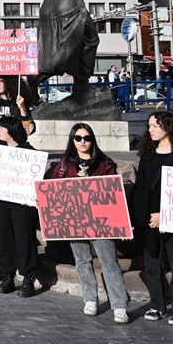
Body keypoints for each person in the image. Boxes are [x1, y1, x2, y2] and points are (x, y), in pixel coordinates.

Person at [45, 123, 131, 323]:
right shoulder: (65, 163)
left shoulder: (104, 163)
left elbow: (114, 192)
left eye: (87, 137)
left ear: (92, 139)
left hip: (101, 221)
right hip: (75, 220)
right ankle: (90, 299)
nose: (83, 141)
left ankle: (119, 305)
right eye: (78, 138)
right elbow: (52, 187)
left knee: (109, 262)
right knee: (82, 260)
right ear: (72, 140)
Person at [132, 111, 173, 325]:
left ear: (169, 127)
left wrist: (164, 215)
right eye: (149, 126)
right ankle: (157, 305)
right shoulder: (146, 154)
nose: (151, 129)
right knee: (152, 266)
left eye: (156, 125)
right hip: (149, 220)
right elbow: (141, 188)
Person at [0, 116, 41, 298]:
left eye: (1, 128)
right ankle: (7, 274)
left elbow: (35, 178)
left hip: (22, 203)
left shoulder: (28, 152)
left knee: (24, 238)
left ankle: (28, 277)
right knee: (3, 237)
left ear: (10, 130)